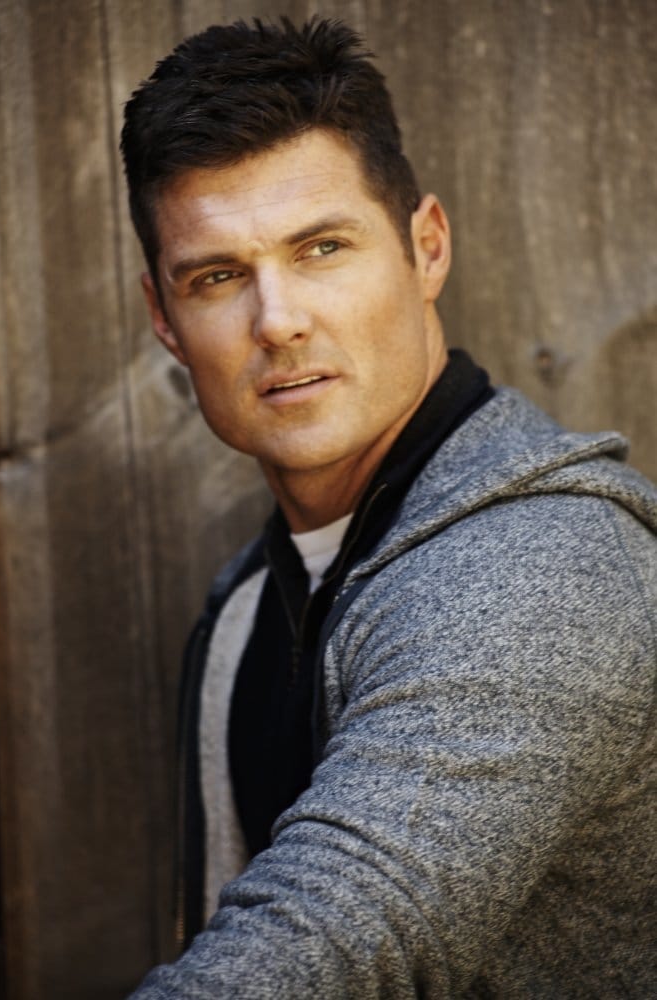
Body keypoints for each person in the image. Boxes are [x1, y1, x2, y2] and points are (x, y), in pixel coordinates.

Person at [121, 17, 656, 999]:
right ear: (164, 315)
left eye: (322, 247)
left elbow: (335, 938)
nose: (278, 320)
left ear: (427, 246)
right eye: (218, 276)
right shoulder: (247, 603)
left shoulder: (540, 572)